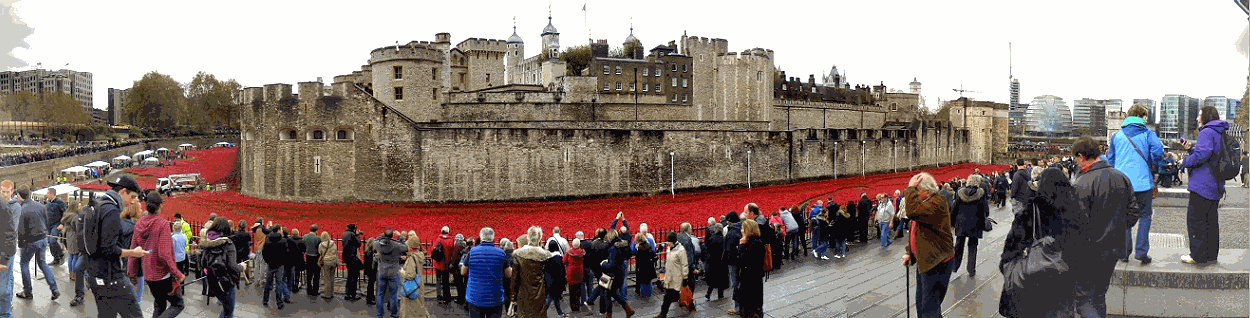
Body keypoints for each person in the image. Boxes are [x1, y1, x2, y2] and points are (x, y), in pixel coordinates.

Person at [1069, 136, 1141, 316]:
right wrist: (1118, 227)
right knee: (1099, 295)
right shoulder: (1121, 177)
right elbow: (1133, 212)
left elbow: (1076, 221)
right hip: (1114, 248)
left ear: (1081, 156)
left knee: (1084, 297)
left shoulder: (1082, 183)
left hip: (1089, 250)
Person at [998, 167, 1082, 317]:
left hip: (1036, 275)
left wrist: (1006, 263)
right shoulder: (1075, 209)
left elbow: (1013, 243)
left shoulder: (1032, 208)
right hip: (1066, 274)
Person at [1104, 104, 1164, 264]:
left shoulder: (1117, 135)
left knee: (1123, 217)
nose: (1146, 120)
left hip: (1122, 183)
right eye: (1145, 117)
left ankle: (1124, 252)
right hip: (1143, 183)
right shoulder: (1148, 133)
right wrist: (1152, 162)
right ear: (1140, 116)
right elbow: (1159, 151)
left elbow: (1111, 159)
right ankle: (1141, 252)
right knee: (1145, 216)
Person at [86, 176, 152, 317]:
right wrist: (133, 253)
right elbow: (109, 250)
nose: (133, 201)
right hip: (112, 277)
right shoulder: (112, 211)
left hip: (95, 273)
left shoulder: (98, 204)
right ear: (123, 191)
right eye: (132, 196)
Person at [1178, 106, 1230, 265]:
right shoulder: (1218, 131)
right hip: (1215, 184)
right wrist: (1191, 148)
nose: (1197, 119)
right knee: (1211, 221)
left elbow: (1202, 155)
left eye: (1199, 115)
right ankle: (1211, 255)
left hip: (1202, 184)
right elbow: (1210, 153)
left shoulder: (1207, 131)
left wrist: (1184, 162)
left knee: (1196, 220)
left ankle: (1198, 255)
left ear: (1205, 116)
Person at [901, 172, 955, 318]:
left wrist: (910, 188)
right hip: (925, 261)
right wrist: (909, 252)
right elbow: (916, 230)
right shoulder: (926, 204)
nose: (915, 194)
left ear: (928, 191)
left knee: (929, 309)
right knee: (921, 304)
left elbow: (912, 212)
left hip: (937, 262)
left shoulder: (938, 202)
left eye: (917, 191)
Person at [130, 191, 185, 318]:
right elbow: (164, 254)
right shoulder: (163, 224)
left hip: (148, 274)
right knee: (178, 304)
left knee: (160, 305)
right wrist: (178, 273)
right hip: (163, 275)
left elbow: (133, 250)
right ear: (159, 205)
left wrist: (131, 272)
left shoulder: (139, 223)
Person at [14, 185, 59, 301]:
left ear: (19, 196)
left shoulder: (22, 209)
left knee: (24, 264)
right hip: (43, 238)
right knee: (42, 263)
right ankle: (54, 289)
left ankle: (27, 291)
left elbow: (21, 230)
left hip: (31, 241)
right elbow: (46, 220)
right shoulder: (39, 205)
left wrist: (20, 244)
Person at [463, 227, 512, 318]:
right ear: (493, 238)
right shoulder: (501, 253)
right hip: (495, 296)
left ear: (481, 238)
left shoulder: (472, 252)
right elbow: (508, 274)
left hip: (475, 296)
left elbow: (463, 271)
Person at [201, 218, 243, 318]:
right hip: (227, 282)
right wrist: (241, 267)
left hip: (213, 281)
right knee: (229, 311)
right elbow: (233, 266)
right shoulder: (228, 243)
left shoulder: (207, 241)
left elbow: (203, 263)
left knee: (226, 309)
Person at [950, 173, 989, 278]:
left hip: (961, 222)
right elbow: (985, 210)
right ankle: (971, 269)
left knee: (959, 245)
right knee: (972, 246)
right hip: (975, 223)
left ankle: (955, 266)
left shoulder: (960, 192)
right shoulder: (981, 194)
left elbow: (954, 209)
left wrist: (952, 223)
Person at [598, 229, 636, 318]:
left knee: (608, 294)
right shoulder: (624, 244)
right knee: (614, 293)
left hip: (614, 274)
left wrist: (603, 264)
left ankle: (609, 315)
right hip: (622, 271)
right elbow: (630, 254)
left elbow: (611, 265)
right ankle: (628, 310)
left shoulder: (613, 248)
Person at [736, 219, 766, 318]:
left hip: (750, 281)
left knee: (749, 307)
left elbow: (744, 261)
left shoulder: (754, 244)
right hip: (753, 280)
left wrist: (741, 246)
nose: (741, 230)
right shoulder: (756, 242)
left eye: (743, 228)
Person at [61, 202, 88, 306]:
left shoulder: (67, 215)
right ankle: (75, 274)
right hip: (75, 238)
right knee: (76, 256)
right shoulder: (75, 217)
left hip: (68, 236)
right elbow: (79, 229)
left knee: (71, 256)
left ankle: (71, 273)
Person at [375, 229, 406, 318]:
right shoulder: (396, 245)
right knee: (393, 295)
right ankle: (393, 314)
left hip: (382, 272)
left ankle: (379, 315)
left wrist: (382, 235)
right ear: (392, 236)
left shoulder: (379, 245)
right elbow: (406, 246)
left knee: (380, 294)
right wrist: (400, 236)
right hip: (393, 272)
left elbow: (375, 240)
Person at [657, 232, 688, 318]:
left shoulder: (681, 250)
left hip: (677, 278)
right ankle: (663, 314)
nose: (667, 243)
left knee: (673, 296)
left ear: (674, 241)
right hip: (670, 277)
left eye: (669, 241)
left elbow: (684, 264)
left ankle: (663, 314)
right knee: (668, 296)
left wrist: (685, 278)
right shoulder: (669, 249)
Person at [400, 232, 430, 318]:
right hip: (418, 284)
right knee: (419, 306)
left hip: (411, 287)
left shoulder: (411, 258)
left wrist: (402, 272)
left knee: (411, 310)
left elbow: (410, 275)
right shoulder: (419, 255)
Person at [721, 211, 743, 315]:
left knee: (735, 284)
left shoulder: (731, 233)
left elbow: (728, 250)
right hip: (741, 261)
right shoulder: (742, 228)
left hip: (733, 262)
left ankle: (738, 307)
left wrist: (725, 260)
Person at [263, 225, 289, 309]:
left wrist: (268, 261)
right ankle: (279, 302)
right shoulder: (283, 241)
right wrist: (283, 261)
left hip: (270, 264)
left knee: (268, 282)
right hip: (280, 264)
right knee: (279, 283)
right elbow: (286, 253)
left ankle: (265, 299)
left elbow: (264, 253)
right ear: (278, 230)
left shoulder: (267, 240)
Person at [0, 181, 15, 318]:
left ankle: (5, 314)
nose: (5, 194)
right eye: (2, 191)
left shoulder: (5, 206)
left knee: (3, 288)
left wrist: (4, 259)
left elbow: (11, 233)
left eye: (7, 191)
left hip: (4, 253)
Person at [703, 223, 728, 300]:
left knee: (712, 280)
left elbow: (707, 249)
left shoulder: (711, 238)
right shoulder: (724, 239)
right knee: (721, 279)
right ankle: (720, 295)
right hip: (721, 262)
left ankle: (708, 294)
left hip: (712, 261)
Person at [544, 240, 567, 317]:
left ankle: (560, 312)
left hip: (549, 281)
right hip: (556, 281)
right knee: (551, 298)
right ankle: (542, 312)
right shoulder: (558, 258)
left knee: (554, 298)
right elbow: (561, 271)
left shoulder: (548, 257)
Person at [433, 226, 456, 304]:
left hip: (438, 264)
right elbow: (453, 251)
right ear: (448, 232)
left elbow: (433, 249)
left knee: (438, 281)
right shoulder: (450, 241)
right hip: (446, 264)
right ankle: (446, 297)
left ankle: (439, 296)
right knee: (446, 282)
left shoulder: (438, 239)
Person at [44, 189, 66, 266]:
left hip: (56, 225)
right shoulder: (49, 202)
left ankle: (61, 255)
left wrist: (62, 223)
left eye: (47, 193)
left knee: (53, 240)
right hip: (48, 225)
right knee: (50, 242)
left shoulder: (59, 202)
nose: (46, 194)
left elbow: (65, 213)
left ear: (51, 194)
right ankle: (55, 258)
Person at [343, 224, 364, 301]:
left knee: (349, 276)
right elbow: (358, 244)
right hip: (352, 257)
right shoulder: (352, 235)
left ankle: (347, 293)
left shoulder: (345, 234)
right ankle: (353, 295)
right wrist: (357, 235)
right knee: (354, 277)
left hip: (346, 257)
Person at [633, 232, 657, 299]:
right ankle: (649, 295)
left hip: (642, 268)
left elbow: (637, 259)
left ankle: (644, 296)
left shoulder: (638, 248)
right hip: (649, 267)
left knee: (643, 283)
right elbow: (653, 254)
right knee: (649, 282)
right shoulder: (648, 246)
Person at [317, 231, 338, 300]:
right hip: (333, 260)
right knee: (332, 277)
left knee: (327, 278)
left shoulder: (321, 245)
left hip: (326, 261)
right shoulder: (333, 243)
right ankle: (332, 292)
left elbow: (320, 253)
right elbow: (335, 251)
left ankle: (327, 294)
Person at [303, 224, 321, 296]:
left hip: (308, 257)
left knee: (309, 274)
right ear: (316, 230)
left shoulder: (305, 237)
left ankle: (308, 289)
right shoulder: (318, 238)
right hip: (316, 257)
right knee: (316, 275)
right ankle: (315, 290)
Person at [364, 238, 379, 306]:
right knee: (371, 285)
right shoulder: (371, 253)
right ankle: (370, 298)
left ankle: (370, 297)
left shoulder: (367, 251)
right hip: (372, 271)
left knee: (370, 284)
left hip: (369, 270)